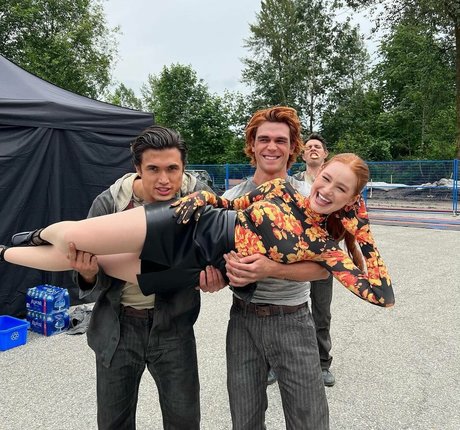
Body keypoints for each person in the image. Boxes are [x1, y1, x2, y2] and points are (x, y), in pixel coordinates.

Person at [1, 115, 395, 430]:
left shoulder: (325, 244)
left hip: (190, 268)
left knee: (95, 258)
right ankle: (23, 240)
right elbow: (229, 205)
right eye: (326, 179)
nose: (327, 190)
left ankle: (7, 253)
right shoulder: (282, 190)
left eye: (341, 190)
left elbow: (380, 293)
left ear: (351, 199)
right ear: (317, 170)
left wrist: (361, 227)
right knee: (77, 239)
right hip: (188, 228)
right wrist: (203, 198)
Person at [65, 125, 213, 430]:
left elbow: (219, 247)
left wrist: (215, 276)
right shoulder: (109, 205)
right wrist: (88, 274)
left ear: (183, 168)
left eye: (172, 169)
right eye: (153, 169)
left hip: (174, 326)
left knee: (184, 420)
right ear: (138, 168)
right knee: (114, 422)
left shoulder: (201, 199)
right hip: (118, 327)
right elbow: (83, 266)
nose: (164, 180)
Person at [292, 132, 336, 387]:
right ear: (303, 154)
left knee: (321, 313)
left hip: (323, 258)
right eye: (308, 147)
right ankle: (277, 362)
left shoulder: (333, 182)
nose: (312, 149)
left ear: (325, 153)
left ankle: (322, 363)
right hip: (294, 256)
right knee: (285, 310)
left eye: (317, 146)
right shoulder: (293, 182)